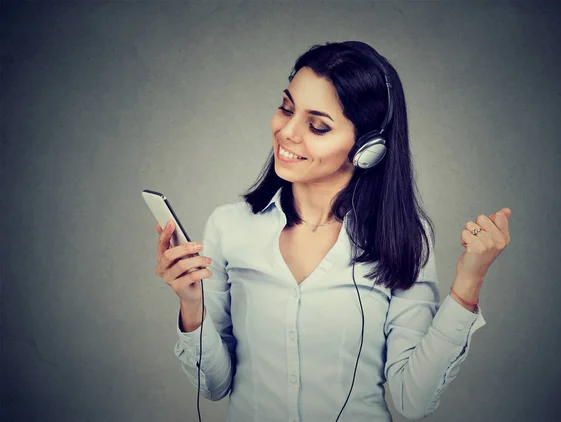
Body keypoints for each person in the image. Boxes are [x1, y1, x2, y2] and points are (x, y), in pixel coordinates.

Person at [153, 41, 511, 421]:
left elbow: (413, 399)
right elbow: (213, 386)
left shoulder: (404, 237)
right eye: (286, 108)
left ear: (367, 147)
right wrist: (192, 305)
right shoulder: (229, 225)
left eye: (318, 125)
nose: (287, 132)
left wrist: (470, 280)